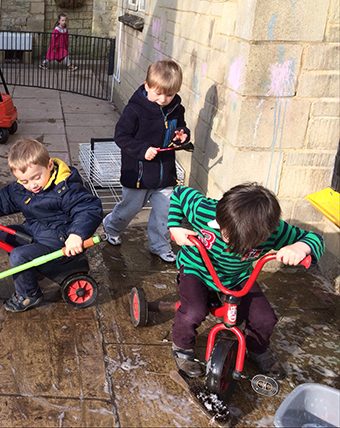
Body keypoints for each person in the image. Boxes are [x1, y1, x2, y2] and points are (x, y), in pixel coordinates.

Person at [167, 183, 325, 379]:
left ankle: (257, 349)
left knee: (265, 318)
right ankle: (182, 347)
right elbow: (179, 193)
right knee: (193, 311)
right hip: (197, 269)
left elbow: (315, 238)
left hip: (237, 277)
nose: (229, 243)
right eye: (225, 235)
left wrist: (300, 248)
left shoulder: (274, 231)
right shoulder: (204, 210)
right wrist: (175, 226)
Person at [0, 138, 103, 312]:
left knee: (19, 256)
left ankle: (28, 295)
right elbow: (0, 200)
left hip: (60, 239)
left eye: (36, 178)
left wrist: (76, 235)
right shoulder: (22, 188)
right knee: (5, 234)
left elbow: (88, 208)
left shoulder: (64, 188)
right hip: (37, 229)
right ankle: (35, 269)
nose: (32, 185)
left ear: (49, 165)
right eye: (24, 181)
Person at [103, 59, 189, 263]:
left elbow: (182, 127)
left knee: (165, 214)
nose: (163, 99)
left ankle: (160, 245)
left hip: (165, 175)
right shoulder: (135, 109)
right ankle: (112, 226)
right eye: (158, 93)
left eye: (169, 94)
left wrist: (183, 135)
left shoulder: (176, 108)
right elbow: (121, 136)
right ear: (147, 86)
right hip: (138, 175)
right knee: (129, 209)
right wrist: (143, 150)